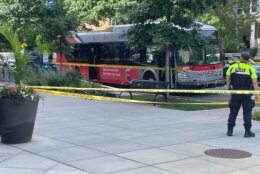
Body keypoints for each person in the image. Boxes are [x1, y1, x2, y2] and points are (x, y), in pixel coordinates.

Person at [226, 51, 259, 137]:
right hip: (247, 92)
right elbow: (255, 83)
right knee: (247, 112)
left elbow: (227, 77)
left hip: (235, 92)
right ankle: (247, 132)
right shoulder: (250, 68)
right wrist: (256, 94)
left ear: (240, 58)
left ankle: (230, 131)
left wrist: (229, 88)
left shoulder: (233, 67)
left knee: (233, 111)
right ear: (248, 59)